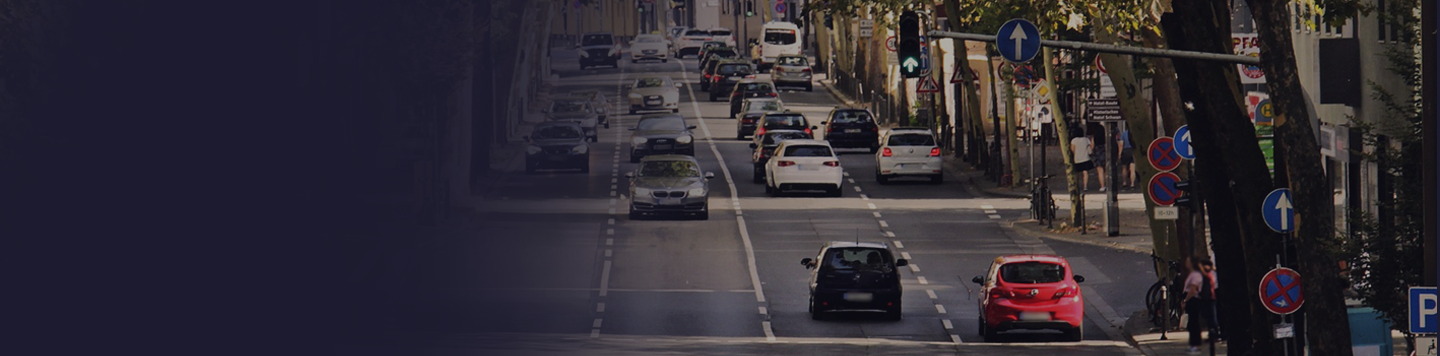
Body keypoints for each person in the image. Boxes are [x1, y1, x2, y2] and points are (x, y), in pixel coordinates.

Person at [1182, 258, 1218, 354]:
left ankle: (1195, 345)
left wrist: (1185, 300)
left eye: (1188, 262)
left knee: (1193, 323)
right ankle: (1194, 344)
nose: (1186, 263)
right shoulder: (1195, 274)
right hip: (1193, 300)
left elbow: (1193, 290)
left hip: (1194, 300)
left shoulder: (1196, 275)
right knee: (1192, 322)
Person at [1070, 126, 1097, 191]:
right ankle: (1085, 186)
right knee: (1085, 173)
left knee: (1076, 174)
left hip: (1077, 159)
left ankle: (1076, 185)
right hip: (1086, 158)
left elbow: (1072, 150)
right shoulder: (1086, 139)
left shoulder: (1074, 141)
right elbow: (1090, 148)